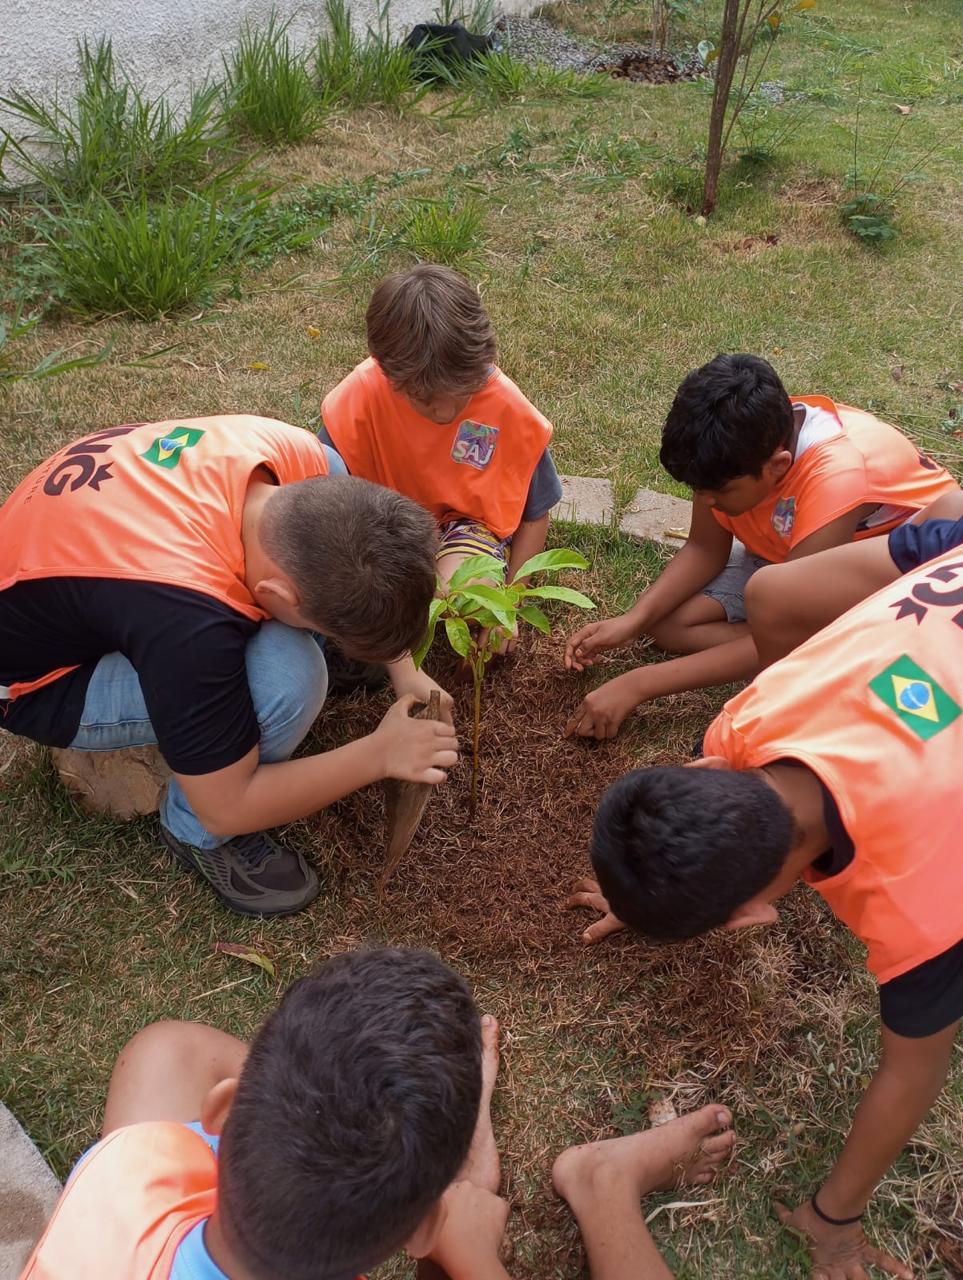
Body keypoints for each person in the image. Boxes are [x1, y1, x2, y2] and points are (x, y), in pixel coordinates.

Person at [571, 531, 963, 1279]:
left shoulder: (922, 902)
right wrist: (651, 895)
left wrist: (833, 1222)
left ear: (749, 916)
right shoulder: (750, 718)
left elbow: (910, 1072)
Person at [20, 945, 737, 1280]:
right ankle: (599, 1184)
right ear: (422, 1232)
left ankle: (445, 1163)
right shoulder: (437, 1236)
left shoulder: (119, 1174)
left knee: (164, 1051)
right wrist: (471, 1248)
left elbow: (172, 1053)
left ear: (226, 1109)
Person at [0, 415, 456, 917]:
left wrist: (402, 665)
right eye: (340, 636)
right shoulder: (186, 622)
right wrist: (379, 754)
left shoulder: (294, 453)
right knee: (290, 679)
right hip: (42, 679)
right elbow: (229, 802)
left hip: (84, 554)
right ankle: (192, 833)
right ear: (276, 596)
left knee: (330, 465)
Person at [564, 354, 959, 738]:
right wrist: (633, 620)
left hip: (897, 579)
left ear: (779, 466)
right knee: (665, 623)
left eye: (718, 493)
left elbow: (793, 617)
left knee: (800, 640)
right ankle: (797, 649)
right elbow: (704, 548)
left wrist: (639, 683)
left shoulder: (836, 477)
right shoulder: (737, 448)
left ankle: (820, 651)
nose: (708, 502)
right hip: (792, 552)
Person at [320, 264, 563, 651]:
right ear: (386, 371)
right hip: (381, 531)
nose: (446, 413)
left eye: (462, 394)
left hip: (462, 529)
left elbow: (536, 511)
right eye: (423, 399)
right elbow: (327, 514)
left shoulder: (506, 407)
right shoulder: (358, 400)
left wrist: (508, 609)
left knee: (460, 595)